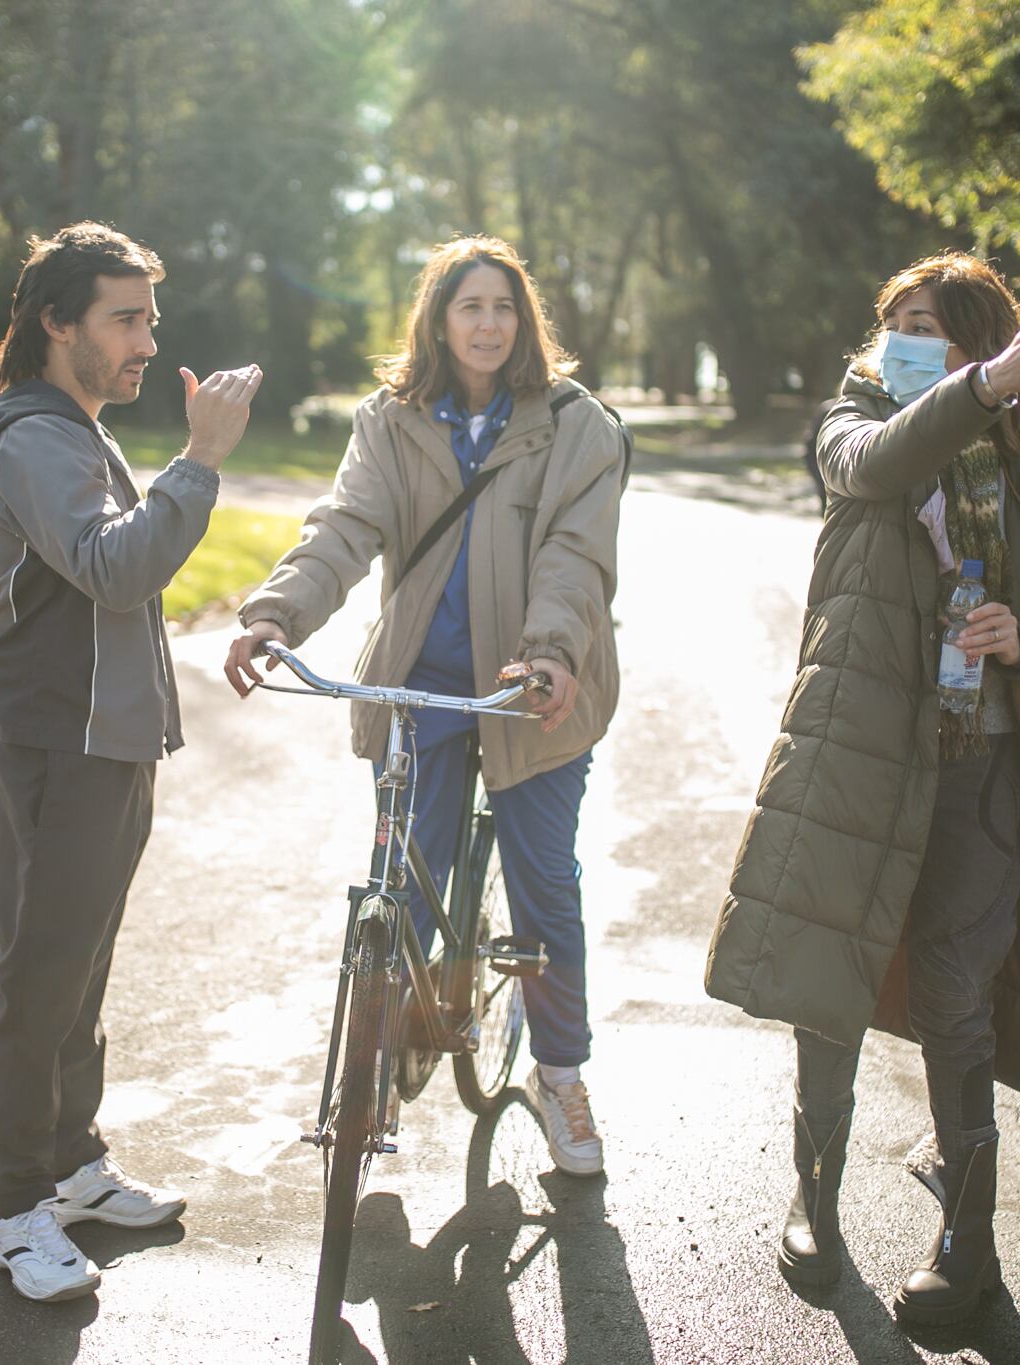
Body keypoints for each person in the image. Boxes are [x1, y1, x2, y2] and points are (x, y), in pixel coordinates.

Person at [704, 251, 1020, 1324]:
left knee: (951, 997)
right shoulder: (855, 418)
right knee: (827, 975)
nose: (904, 340)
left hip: (977, 763)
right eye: (898, 323)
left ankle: (965, 1246)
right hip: (856, 756)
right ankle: (813, 1198)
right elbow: (877, 464)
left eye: (933, 324)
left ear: (983, 338)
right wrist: (981, 383)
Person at [223, 235, 626, 1178]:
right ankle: (378, 1061)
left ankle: (564, 1075)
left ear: (524, 321)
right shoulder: (390, 422)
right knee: (404, 886)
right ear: (437, 321)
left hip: (532, 690)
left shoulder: (578, 425)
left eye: (503, 307)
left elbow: (576, 553)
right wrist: (277, 613)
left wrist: (553, 653)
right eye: (467, 306)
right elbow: (348, 527)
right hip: (422, 682)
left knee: (543, 885)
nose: (487, 324)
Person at [0, 221, 262, 1303]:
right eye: (123, 319)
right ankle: (8, 1207)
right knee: (37, 979)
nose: (142, 341)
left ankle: (69, 1165)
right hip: (50, 750)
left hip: (104, 748)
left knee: (78, 970)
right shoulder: (35, 440)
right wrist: (200, 458)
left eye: (148, 321)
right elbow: (114, 573)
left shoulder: (73, 430)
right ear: (55, 322)